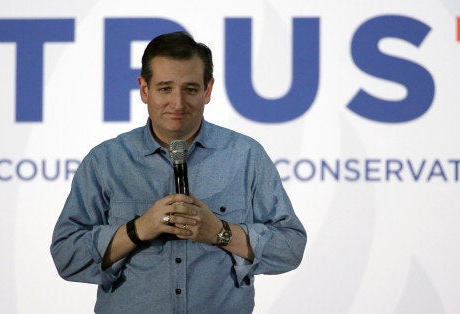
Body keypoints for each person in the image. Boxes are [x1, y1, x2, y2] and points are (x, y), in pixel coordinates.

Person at [50, 31, 307, 313]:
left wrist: (220, 232)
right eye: (165, 88)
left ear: (207, 91)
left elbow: (290, 247)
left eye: (191, 89)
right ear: (144, 89)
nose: (177, 103)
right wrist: (138, 229)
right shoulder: (106, 161)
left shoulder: (245, 156)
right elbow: (66, 256)